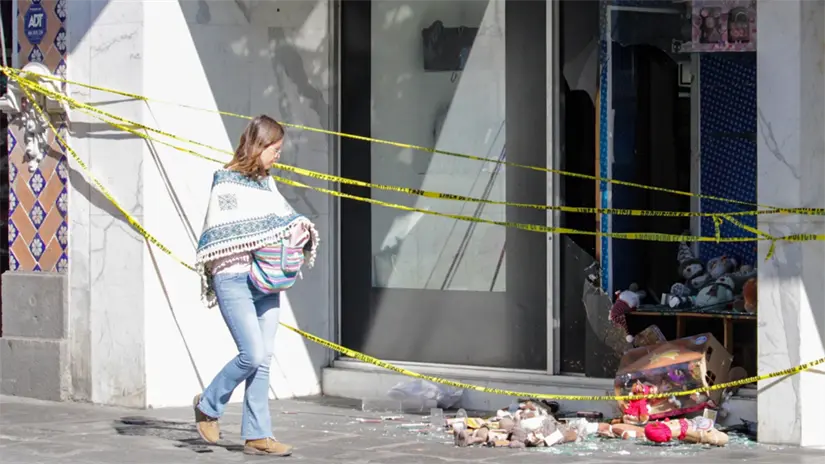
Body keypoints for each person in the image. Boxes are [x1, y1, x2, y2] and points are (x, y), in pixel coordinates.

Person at [192, 115, 318, 456]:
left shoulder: (267, 184)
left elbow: (279, 220)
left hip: (265, 279)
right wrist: (264, 236)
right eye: (274, 149)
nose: (277, 156)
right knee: (253, 353)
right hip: (232, 277)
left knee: (263, 359)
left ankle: (257, 436)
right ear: (259, 145)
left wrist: (297, 231)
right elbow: (224, 230)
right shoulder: (226, 181)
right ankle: (208, 404)